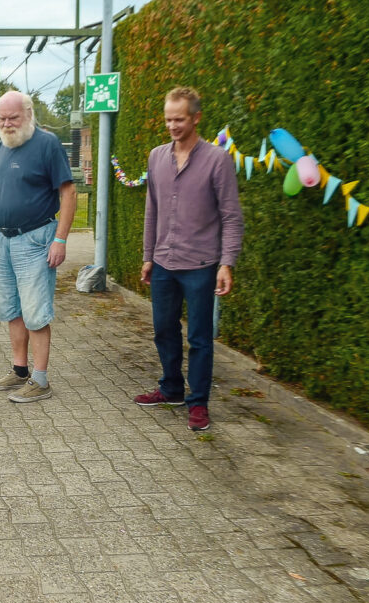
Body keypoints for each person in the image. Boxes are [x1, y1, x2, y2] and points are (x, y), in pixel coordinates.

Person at [133, 86, 244, 431]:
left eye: (179, 119)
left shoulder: (217, 160)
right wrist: (148, 255)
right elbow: (152, 210)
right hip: (164, 261)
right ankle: (171, 389)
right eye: (168, 119)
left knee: (199, 337)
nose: (172, 126)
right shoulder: (156, 157)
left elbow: (231, 216)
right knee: (163, 330)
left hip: (201, 265)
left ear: (196, 118)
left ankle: (198, 403)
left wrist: (226, 263)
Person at [0, 91, 76, 403]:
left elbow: (69, 193)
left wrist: (60, 239)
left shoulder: (47, 144)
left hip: (36, 240)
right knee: (11, 310)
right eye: (1, 119)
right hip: (3, 240)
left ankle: (41, 380)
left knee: (36, 313)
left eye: (13, 118)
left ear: (28, 114)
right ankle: (20, 371)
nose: (6, 124)